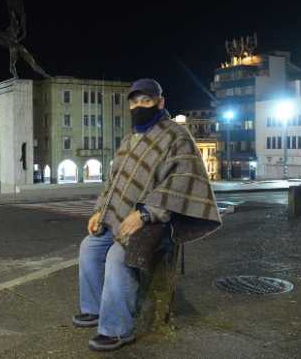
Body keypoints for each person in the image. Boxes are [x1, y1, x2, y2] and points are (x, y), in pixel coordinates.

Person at [73, 78, 222, 352]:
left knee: (120, 256)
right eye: (135, 101)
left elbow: (181, 180)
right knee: (90, 247)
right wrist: (99, 211)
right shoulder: (130, 139)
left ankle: (117, 329)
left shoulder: (176, 135)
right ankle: (93, 309)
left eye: (146, 101)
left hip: (157, 221)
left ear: (160, 102)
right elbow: (114, 180)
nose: (139, 106)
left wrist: (144, 213)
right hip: (120, 218)